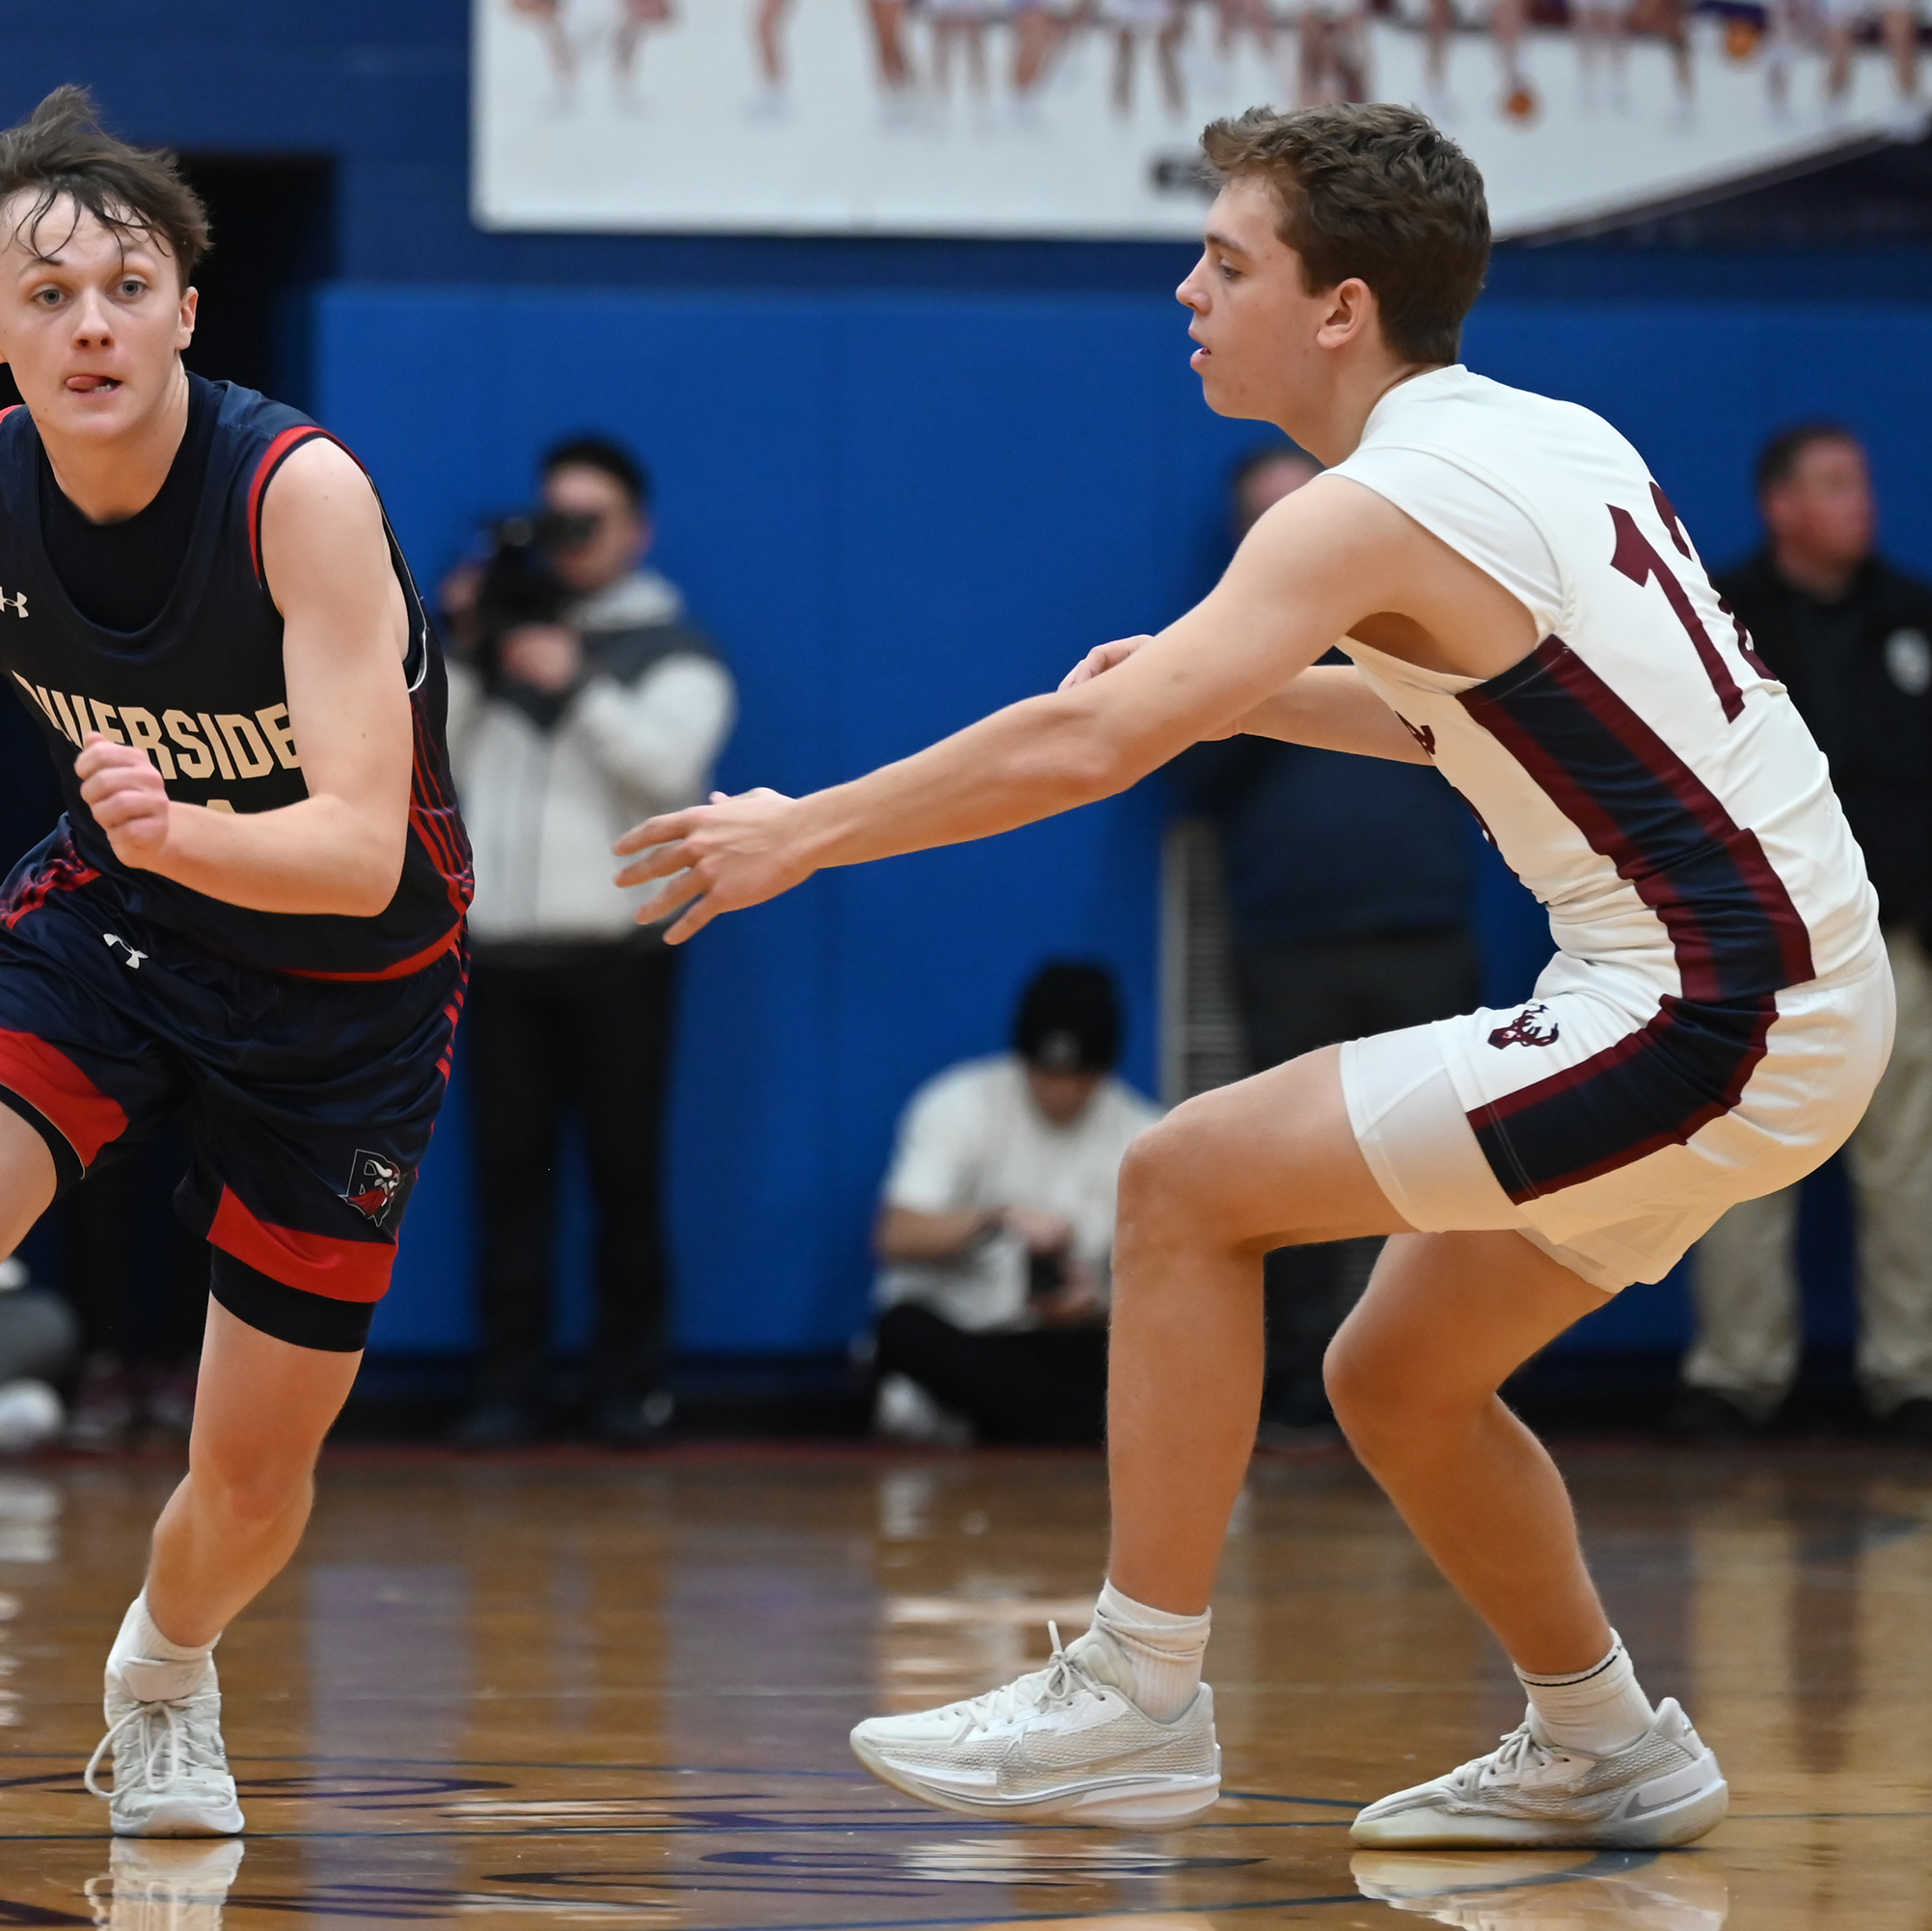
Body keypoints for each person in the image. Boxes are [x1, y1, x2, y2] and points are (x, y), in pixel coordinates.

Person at [616, 102, 1888, 1848]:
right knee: (1395, 1376)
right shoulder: (1538, 439)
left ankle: (1134, 1690)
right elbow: (1487, 720)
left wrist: (803, 829)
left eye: (1228, 260)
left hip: (1709, 1009)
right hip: (1791, 997)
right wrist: (1254, 684)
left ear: (1342, 305)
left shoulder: (1365, 508)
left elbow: (1087, 742)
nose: (1187, 289)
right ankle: (1606, 1738)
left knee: (1183, 1180)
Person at [0, 89, 472, 1842]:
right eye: (49, 298)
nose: (93, 322)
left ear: (189, 303)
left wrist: (184, 827)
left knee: (252, 1478)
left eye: (126, 283)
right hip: (114, 931)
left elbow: (357, 851)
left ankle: (166, 1676)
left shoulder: (299, 497)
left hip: (344, 999)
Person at [1177, 445, 1482, 1437]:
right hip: (1288, 941)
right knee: (1295, 1173)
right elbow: (1183, 782)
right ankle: (1302, 1382)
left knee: (1457, 1166)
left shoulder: (1418, 631)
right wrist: (1260, 673)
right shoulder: (1215, 649)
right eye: (1269, 517)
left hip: (1423, 929)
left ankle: (1455, 1373)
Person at [446, 436, 735, 1446]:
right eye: (553, 519)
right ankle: (507, 1385)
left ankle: (629, 1384)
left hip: (620, 956)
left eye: (589, 521)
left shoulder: (671, 650)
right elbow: (427, 764)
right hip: (501, 956)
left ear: (636, 532)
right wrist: (471, 642)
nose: (568, 542)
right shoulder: (497, 635)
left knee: (624, 1175)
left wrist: (575, 684)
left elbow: (670, 773)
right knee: (507, 1182)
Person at [1679, 424, 1932, 1445]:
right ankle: (1737, 1375)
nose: (1861, 502)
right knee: (1742, 1162)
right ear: (1780, 505)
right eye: (1834, 485)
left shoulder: (1911, 618)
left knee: (1909, 1162)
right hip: (1760, 947)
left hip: (1899, 939)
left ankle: (1911, 1373)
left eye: (1864, 482)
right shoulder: (1722, 621)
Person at [869, 963, 1157, 1446]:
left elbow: (1167, 1292)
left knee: (1144, 1351)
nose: (1062, 1092)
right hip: (968, 1333)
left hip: (1065, 1343)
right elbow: (895, 1235)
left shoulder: (1146, 1135)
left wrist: (1094, 1307)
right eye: (1047, 1073)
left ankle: (1035, 1421)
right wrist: (995, 1219)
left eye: (1079, 1076)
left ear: (1105, 1070)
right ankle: (1068, 1425)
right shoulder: (959, 1103)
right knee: (903, 1332)